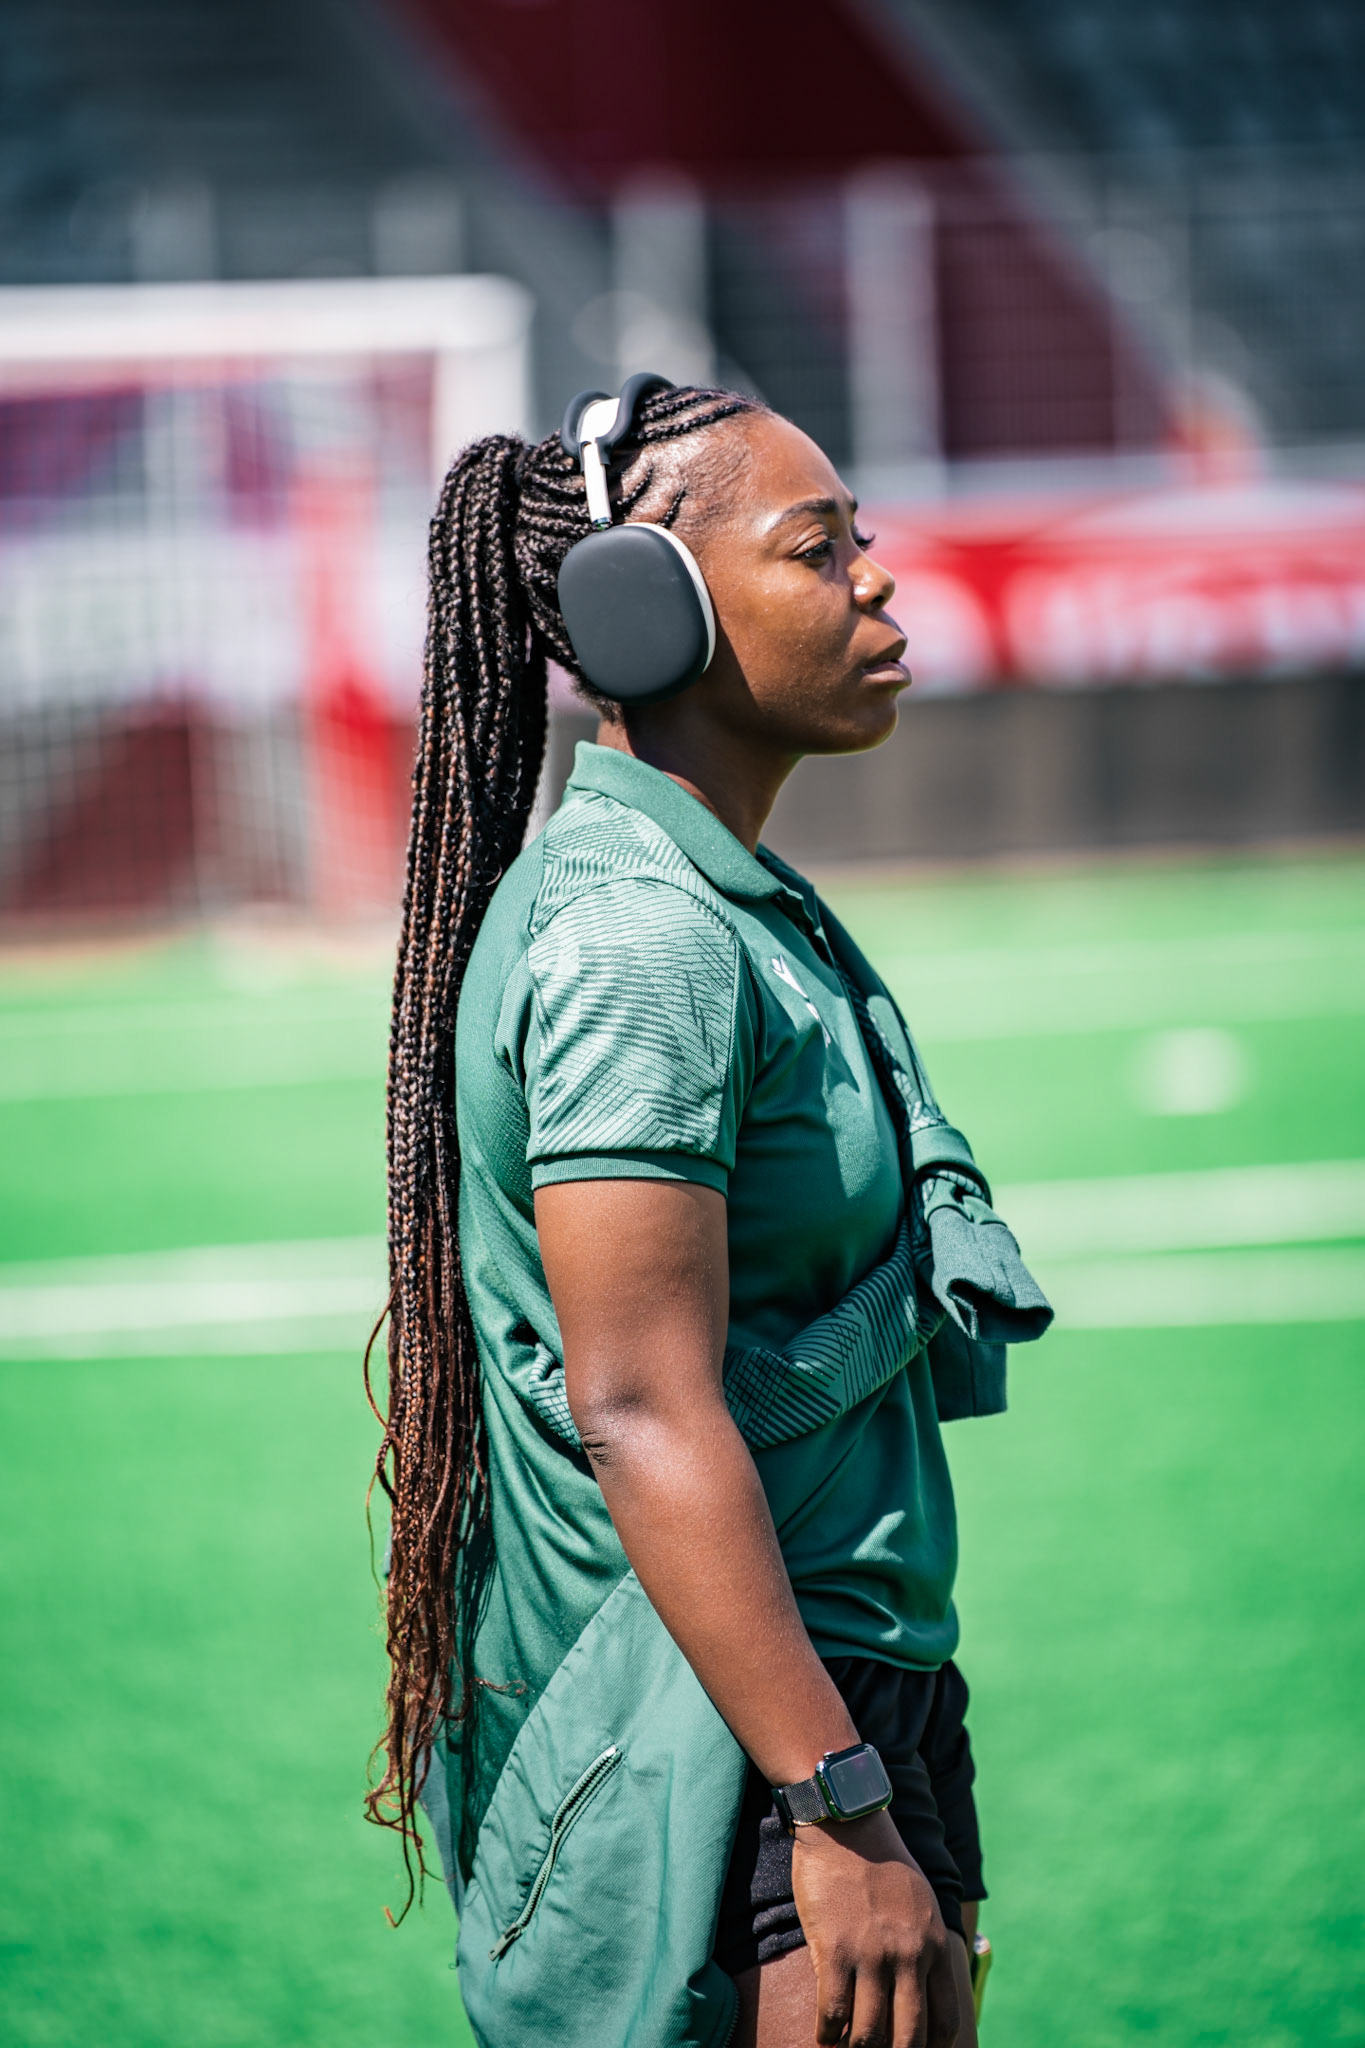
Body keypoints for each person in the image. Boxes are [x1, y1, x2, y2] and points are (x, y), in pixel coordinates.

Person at [368, 380, 1049, 2048]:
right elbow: (638, 1400)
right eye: (817, 552)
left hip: (830, 1670)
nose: (875, 584)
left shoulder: (714, 898)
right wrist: (835, 1807)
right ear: (641, 603)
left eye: (861, 545)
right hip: (735, 1720)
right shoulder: (639, 941)